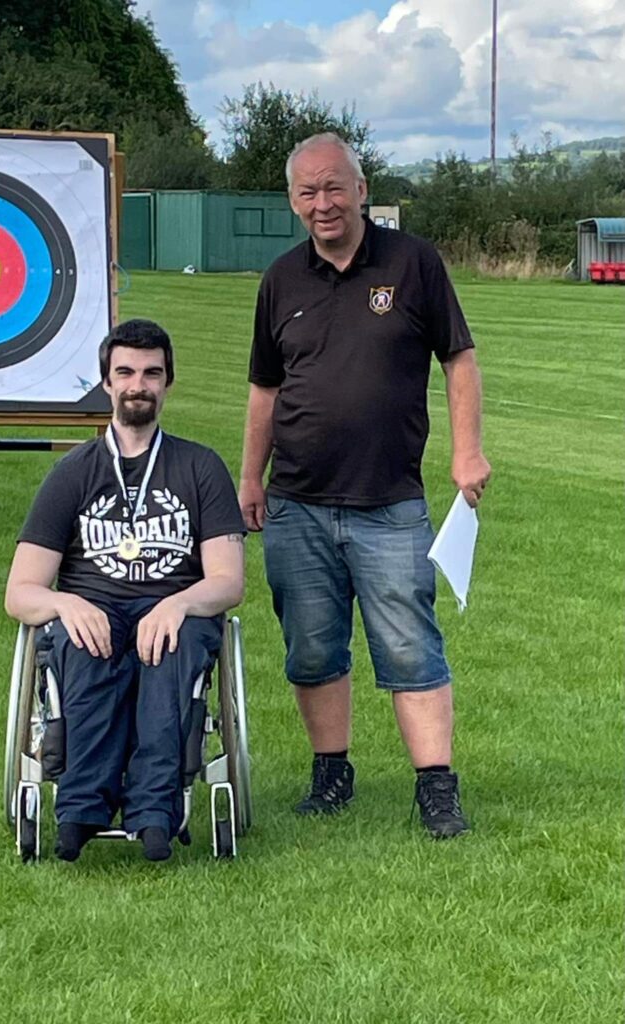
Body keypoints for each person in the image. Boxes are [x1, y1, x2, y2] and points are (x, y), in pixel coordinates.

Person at [238, 133, 491, 839]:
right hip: (295, 503)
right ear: (293, 201)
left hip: (390, 505)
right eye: (307, 193)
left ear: (361, 187)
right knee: (312, 649)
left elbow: (460, 359)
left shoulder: (413, 264)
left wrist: (467, 452)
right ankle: (331, 775)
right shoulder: (281, 279)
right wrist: (249, 478)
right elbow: (265, 388)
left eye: (334, 188)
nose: (323, 204)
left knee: (411, 646)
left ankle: (437, 790)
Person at [5, 318, 245, 862]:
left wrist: (179, 603)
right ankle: (82, 807)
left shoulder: (200, 467)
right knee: (80, 639)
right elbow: (20, 591)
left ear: (168, 383)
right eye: (126, 372)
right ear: (107, 383)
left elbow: (228, 580)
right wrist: (65, 602)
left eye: (152, 373)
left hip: (176, 606)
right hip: (94, 604)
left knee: (172, 644)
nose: (139, 384)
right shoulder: (72, 473)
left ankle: (156, 809)